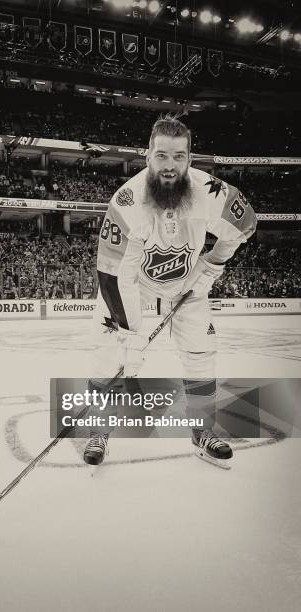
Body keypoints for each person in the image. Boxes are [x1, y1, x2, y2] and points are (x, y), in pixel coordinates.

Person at [84, 116, 257, 468]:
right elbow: (115, 275)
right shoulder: (127, 201)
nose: (170, 165)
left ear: (189, 158)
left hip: (186, 284)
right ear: (148, 156)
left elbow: (246, 224)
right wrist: (130, 337)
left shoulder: (210, 193)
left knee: (201, 352)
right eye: (162, 155)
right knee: (109, 354)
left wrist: (212, 265)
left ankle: (202, 431)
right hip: (133, 287)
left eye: (179, 156)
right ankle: (98, 429)